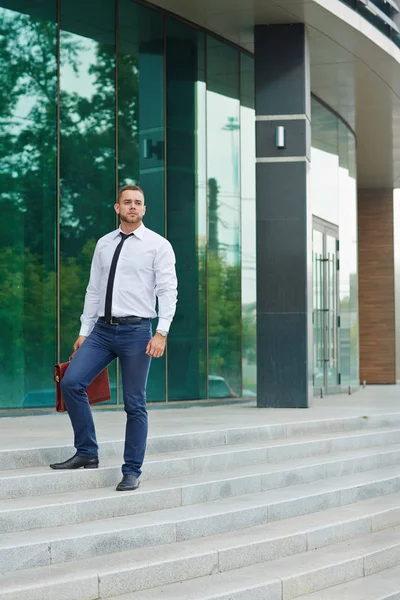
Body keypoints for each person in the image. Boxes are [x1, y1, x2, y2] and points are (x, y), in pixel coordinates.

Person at [49, 185, 177, 492]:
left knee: (134, 403)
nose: (133, 207)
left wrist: (162, 332)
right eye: (127, 202)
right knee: (71, 382)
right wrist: (84, 331)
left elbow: (167, 291)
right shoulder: (104, 244)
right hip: (102, 332)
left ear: (144, 210)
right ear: (117, 208)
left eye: (138, 203)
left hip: (137, 333)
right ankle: (87, 452)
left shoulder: (158, 245)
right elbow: (94, 290)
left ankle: (132, 469)